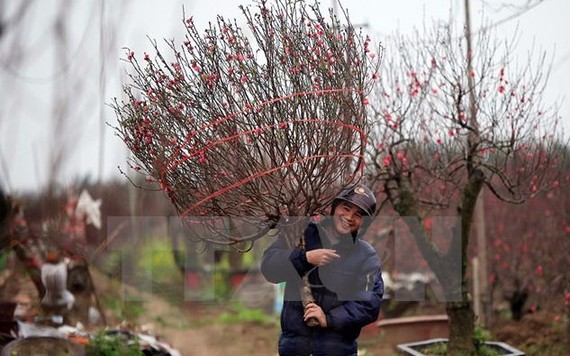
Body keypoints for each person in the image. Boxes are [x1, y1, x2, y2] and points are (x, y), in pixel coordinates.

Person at [261, 183, 384, 356]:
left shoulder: (365, 255)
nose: (349, 217)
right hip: (294, 349)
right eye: (346, 208)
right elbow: (269, 268)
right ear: (334, 207)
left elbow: (369, 304)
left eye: (358, 215)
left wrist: (329, 319)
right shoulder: (301, 233)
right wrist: (306, 258)